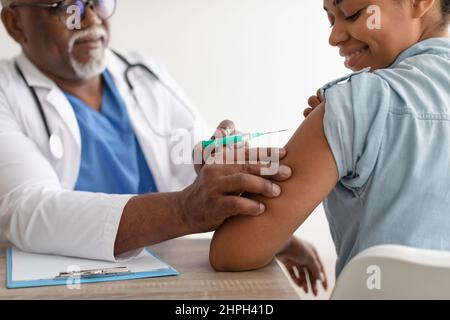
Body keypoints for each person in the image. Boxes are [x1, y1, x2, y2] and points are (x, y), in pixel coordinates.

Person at [0, 0, 306, 263]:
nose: (91, 18)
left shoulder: (142, 71)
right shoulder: (5, 92)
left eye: (98, 1)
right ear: (15, 23)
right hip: (58, 282)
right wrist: (183, 211)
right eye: (67, 6)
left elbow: (197, 166)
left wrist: (216, 162)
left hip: (166, 269)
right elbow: (27, 212)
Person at [209, 0, 450, 295]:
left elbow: (233, 252)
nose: (334, 37)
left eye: (351, 14)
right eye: (330, 20)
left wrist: (237, 184)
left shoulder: (354, 103)